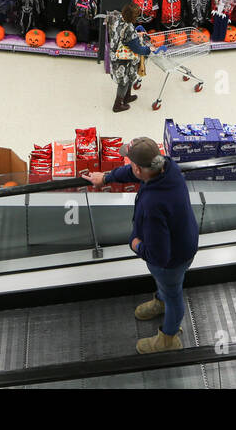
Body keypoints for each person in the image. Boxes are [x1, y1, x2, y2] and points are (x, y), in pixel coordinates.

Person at [85, 137, 200, 355]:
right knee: (168, 286)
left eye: (129, 161)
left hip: (173, 258)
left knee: (174, 293)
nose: (128, 165)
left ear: (138, 168)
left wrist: (135, 245)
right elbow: (132, 172)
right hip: (185, 240)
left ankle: (168, 338)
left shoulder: (154, 204)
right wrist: (107, 177)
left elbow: (159, 256)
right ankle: (161, 300)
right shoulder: (168, 167)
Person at [105, 2, 152, 113]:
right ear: (133, 17)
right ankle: (117, 105)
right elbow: (137, 49)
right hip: (124, 59)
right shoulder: (130, 29)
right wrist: (149, 50)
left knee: (130, 76)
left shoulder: (118, 20)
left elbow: (123, 35)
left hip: (116, 54)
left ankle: (127, 97)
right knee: (124, 82)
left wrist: (136, 35)